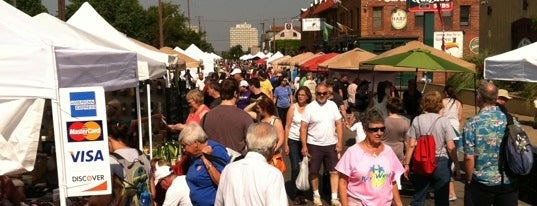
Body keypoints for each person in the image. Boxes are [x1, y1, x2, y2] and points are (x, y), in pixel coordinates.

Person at [461, 81, 518, 205]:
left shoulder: (472, 123)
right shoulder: (511, 120)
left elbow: (468, 157)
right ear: (496, 98)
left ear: (478, 98)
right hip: (507, 180)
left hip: (482, 182)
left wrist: (469, 180)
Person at [335, 109, 404, 206]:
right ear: (365, 130)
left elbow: (392, 181)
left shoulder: (388, 151)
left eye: (382, 129)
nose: (379, 133)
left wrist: (399, 203)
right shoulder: (352, 152)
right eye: (374, 130)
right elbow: (342, 183)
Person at [403, 91, 460, 206]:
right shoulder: (444, 121)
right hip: (441, 162)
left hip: (421, 161)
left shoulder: (417, 120)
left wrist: (407, 164)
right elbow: (450, 146)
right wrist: (457, 166)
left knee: (418, 198)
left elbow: (411, 144)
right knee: (442, 200)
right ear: (439, 104)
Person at [215, 123, 288, 206]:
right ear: (274, 146)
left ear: (247, 142)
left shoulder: (229, 169)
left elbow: (218, 203)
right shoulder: (273, 175)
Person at [300, 83, 343, 206]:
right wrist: (304, 146)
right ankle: (316, 195)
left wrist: (340, 142)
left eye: (324, 93)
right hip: (314, 144)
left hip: (331, 144)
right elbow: (303, 128)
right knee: (313, 171)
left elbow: (339, 124)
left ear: (328, 94)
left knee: (334, 171)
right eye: (319, 93)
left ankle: (334, 197)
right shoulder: (310, 107)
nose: (321, 95)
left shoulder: (333, 105)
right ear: (315, 93)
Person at [88, 122, 151, 206]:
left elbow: (106, 199)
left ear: (108, 139)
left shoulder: (111, 160)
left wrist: (91, 201)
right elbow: (152, 191)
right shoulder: (142, 155)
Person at [179, 123, 230, 206]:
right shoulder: (194, 155)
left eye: (184, 146)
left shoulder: (217, 151)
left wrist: (205, 159)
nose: (184, 150)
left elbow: (222, 182)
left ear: (195, 143)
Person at [201, 78, 253, 155]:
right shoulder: (245, 117)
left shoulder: (206, 116)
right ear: (235, 93)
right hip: (236, 163)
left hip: (213, 162)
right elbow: (252, 144)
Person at [284, 86, 313, 205]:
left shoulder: (311, 108)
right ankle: (296, 194)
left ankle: (301, 192)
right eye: (299, 94)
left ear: (307, 97)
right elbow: (287, 126)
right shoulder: (293, 107)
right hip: (293, 140)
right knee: (295, 167)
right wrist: (285, 144)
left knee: (305, 167)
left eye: (303, 95)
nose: (300, 96)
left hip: (306, 141)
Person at [438, 85, 463, 201]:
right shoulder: (458, 103)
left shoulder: (443, 102)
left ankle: (448, 183)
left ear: (445, 92)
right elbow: (460, 117)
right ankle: (453, 171)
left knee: (445, 153)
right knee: (454, 153)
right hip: (456, 129)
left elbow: (440, 115)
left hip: (446, 128)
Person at [383, 97, 409, 164]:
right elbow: (407, 142)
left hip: (384, 150)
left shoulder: (383, 121)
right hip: (398, 152)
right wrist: (406, 156)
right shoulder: (405, 122)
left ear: (388, 108)